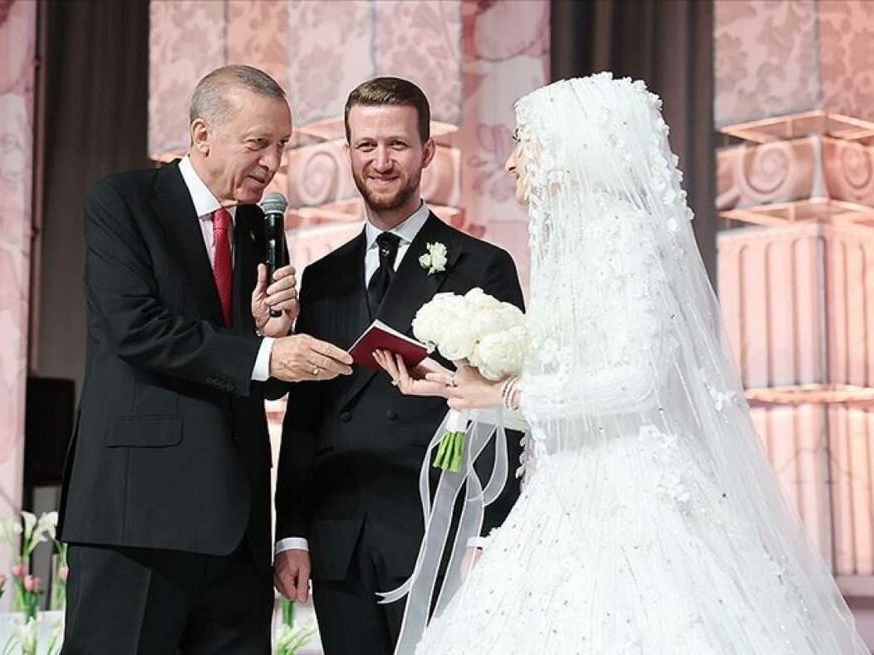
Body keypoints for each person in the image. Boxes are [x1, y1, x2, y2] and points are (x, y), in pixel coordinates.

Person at [379, 73, 870, 654]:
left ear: (571, 147)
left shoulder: (627, 239)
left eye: (524, 142)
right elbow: (570, 405)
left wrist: (509, 395)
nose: (511, 162)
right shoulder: (572, 246)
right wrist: (460, 389)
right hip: (563, 495)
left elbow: (637, 385)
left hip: (634, 503)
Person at [57, 65, 353, 654]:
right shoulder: (123, 201)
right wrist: (264, 351)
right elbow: (135, 328)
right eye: (257, 143)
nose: (272, 163)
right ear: (201, 136)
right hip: (137, 515)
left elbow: (255, 376)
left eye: (282, 145)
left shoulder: (261, 229)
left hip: (236, 524)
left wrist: (269, 332)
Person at [274, 77, 523, 655]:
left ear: (427, 151)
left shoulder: (483, 266)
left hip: (440, 530)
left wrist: (494, 532)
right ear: (349, 152)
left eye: (397, 145)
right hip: (340, 538)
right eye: (366, 146)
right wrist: (292, 531)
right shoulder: (322, 277)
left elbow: (510, 412)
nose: (381, 161)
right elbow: (305, 415)